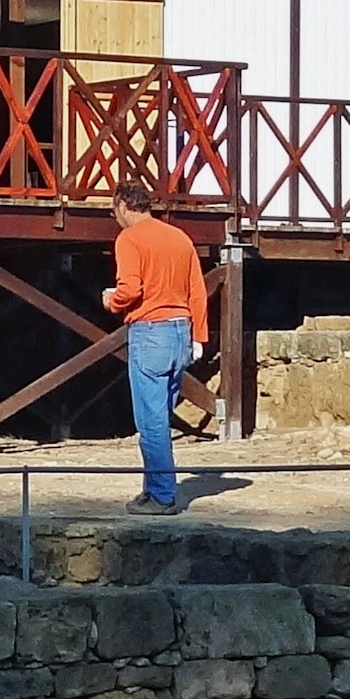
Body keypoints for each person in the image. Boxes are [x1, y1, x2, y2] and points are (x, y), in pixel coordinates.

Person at [102, 177, 207, 515]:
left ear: (122, 205)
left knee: (151, 422)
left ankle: (162, 495)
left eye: (113, 210)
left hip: (151, 331)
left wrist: (111, 301)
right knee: (160, 415)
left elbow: (130, 289)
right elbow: (197, 291)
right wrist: (200, 336)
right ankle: (152, 488)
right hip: (181, 332)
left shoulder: (129, 238)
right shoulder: (179, 237)